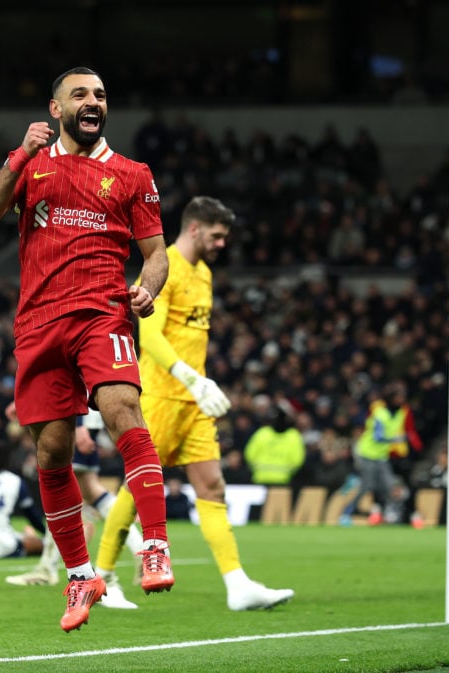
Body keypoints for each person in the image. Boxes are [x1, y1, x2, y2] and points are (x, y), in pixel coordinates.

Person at [0, 66, 173, 632]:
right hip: (37, 325)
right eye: (81, 95)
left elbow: (155, 254)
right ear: (56, 109)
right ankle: (81, 575)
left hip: (101, 312)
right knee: (53, 452)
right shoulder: (32, 164)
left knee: (121, 411)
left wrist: (148, 287)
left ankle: (154, 546)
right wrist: (17, 154)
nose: (94, 102)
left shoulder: (133, 174)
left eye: (102, 95)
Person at [95, 196, 294, 611]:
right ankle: (104, 577)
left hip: (194, 401)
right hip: (164, 396)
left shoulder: (203, 273)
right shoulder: (166, 267)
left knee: (212, 487)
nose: (223, 244)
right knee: (138, 489)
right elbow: (148, 334)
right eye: (218, 236)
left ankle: (238, 585)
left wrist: (198, 385)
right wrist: (191, 378)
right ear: (195, 229)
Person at [4, 406, 143, 611]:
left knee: (62, 486)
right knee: (90, 491)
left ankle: (47, 569)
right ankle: (141, 552)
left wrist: (78, 425)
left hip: (74, 414)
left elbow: (73, 375)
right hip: (82, 415)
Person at [340, 382, 409, 526]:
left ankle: (389, 513)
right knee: (367, 485)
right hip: (366, 453)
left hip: (381, 455)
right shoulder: (380, 413)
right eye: (398, 397)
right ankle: (347, 512)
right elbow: (378, 436)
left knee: (390, 485)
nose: (401, 399)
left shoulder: (401, 412)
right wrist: (396, 439)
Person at [244, 399, 306, 487]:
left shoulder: (262, 433)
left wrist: (256, 469)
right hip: (282, 480)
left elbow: (249, 455)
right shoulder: (294, 436)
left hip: (261, 478)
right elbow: (297, 461)